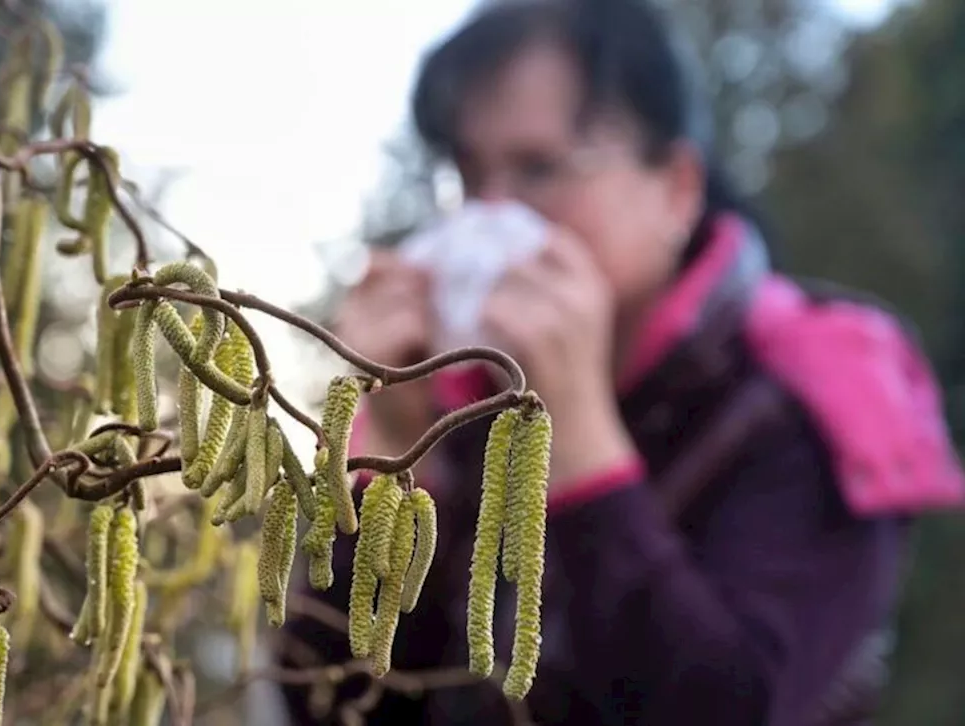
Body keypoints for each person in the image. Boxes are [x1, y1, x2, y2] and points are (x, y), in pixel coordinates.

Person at [275, 0, 965, 724]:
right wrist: (394, 467)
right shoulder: (464, 400)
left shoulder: (817, 398)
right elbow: (331, 705)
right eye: (469, 175)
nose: (489, 215)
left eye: (540, 167)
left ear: (676, 189)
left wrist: (578, 441)